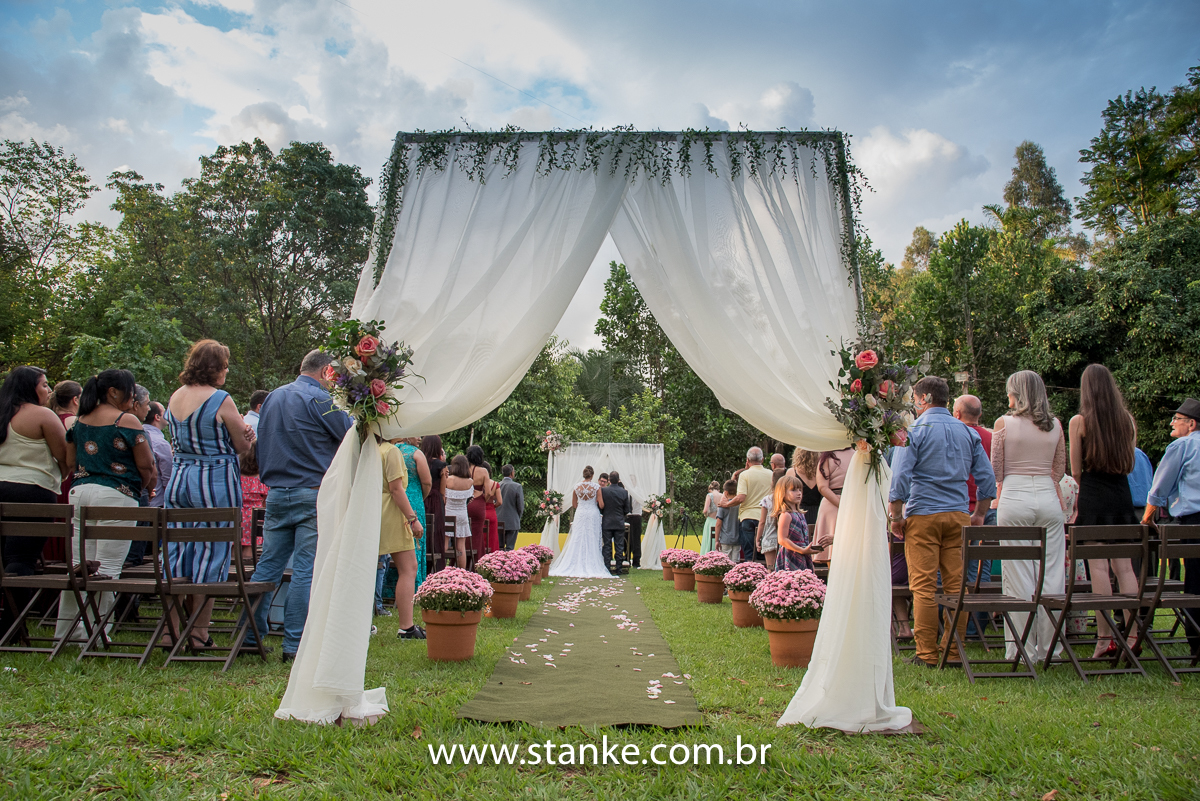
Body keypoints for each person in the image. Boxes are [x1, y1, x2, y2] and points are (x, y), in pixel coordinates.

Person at [245, 349, 352, 662]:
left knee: (268, 567)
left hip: (277, 491)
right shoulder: (322, 400)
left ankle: (250, 637)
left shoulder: (274, 398)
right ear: (325, 373)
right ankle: (294, 645)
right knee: (305, 569)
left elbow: (261, 444)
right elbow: (349, 435)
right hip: (312, 491)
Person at [889, 375, 995, 668]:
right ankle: (952, 651)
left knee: (923, 586)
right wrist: (980, 514)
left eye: (914, 398)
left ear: (924, 399)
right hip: (959, 514)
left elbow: (900, 477)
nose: (913, 403)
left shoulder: (915, 431)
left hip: (923, 513)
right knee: (955, 586)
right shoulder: (968, 432)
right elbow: (987, 479)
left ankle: (926, 653)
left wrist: (896, 516)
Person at [164, 340, 254, 650]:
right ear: (214, 367)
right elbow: (242, 447)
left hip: (178, 478)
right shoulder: (220, 399)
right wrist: (248, 437)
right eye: (225, 366)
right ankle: (199, 632)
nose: (227, 371)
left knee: (176, 552)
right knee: (211, 552)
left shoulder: (175, 397)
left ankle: (170, 630)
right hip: (213, 478)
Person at [56, 369, 157, 642]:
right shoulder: (128, 421)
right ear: (113, 392)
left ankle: (67, 632)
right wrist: (141, 486)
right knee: (108, 568)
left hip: (79, 493)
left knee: (79, 567)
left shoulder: (78, 422)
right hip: (116, 495)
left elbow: (69, 462)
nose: (133, 396)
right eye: (130, 390)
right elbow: (146, 464)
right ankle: (97, 635)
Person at [992, 371, 1067, 662]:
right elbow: (1058, 469)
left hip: (1015, 495)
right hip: (1048, 497)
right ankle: (1051, 649)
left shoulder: (1004, 423)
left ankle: (1020, 649)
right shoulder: (1056, 426)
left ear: (1018, 393)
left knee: (1018, 575)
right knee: (1052, 575)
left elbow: (996, 467)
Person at [1069, 363, 1140, 658]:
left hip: (1093, 494)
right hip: (1121, 494)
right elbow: (1131, 462)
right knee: (1124, 568)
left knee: (1098, 567)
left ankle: (1105, 636)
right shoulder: (1127, 420)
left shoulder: (1079, 422)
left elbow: (1075, 470)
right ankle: (1134, 634)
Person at [0, 367, 68, 601]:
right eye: (44, 385)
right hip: (31, 491)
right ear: (30, 387)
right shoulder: (42, 415)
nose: (49, 391)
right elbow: (64, 456)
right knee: (21, 558)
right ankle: (13, 625)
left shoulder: (3, 413)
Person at [1142, 398, 1200, 656]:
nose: (1171, 423)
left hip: (1194, 522)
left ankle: (1197, 643)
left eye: (1176, 419)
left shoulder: (1183, 445)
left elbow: (1159, 488)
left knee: (1195, 583)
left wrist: (1147, 519)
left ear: (1192, 424)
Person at [377, 436, 427, 639]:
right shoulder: (391, 452)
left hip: (372, 510)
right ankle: (406, 626)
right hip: (391, 512)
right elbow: (396, 489)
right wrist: (413, 519)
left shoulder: (371, 450)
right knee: (409, 567)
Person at [956, 394, 995, 637]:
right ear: (979, 414)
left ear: (957, 414)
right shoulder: (991, 436)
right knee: (983, 570)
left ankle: (957, 625)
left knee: (954, 569)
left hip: (961, 506)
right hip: (987, 506)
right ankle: (977, 625)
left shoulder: (956, 435)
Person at [549, 465, 612, 578]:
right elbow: (601, 504)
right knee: (591, 537)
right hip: (593, 514)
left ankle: (575, 561)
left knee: (578, 537)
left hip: (581, 513)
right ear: (592, 475)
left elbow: (574, 504)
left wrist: (582, 505)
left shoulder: (577, 487)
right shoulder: (596, 487)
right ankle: (592, 562)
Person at [719, 447, 773, 563]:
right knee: (764, 549)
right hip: (765, 516)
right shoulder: (770, 474)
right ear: (762, 459)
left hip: (748, 516)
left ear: (747, 460)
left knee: (749, 552)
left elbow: (741, 497)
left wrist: (727, 504)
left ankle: (750, 574)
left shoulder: (745, 475)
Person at [396, 437, 431, 587]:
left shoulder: (392, 450)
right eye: (417, 434)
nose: (420, 438)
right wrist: (420, 496)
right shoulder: (417, 454)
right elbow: (427, 482)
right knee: (415, 540)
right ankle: (414, 584)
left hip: (393, 500)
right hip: (414, 499)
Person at [813, 448, 853, 565]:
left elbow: (822, 487)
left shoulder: (827, 456)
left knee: (832, 554)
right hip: (852, 502)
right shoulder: (859, 454)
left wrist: (841, 504)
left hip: (831, 503)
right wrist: (845, 505)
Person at [773, 474, 820, 571]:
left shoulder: (800, 514)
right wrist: (801, 550)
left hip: (803, 553)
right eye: (793, 490)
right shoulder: (786, 515)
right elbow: (782, 539)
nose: (798, 493)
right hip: (791, 555)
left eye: (800, 490)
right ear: (782, 493)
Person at [466, 445, 501, 557]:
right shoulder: (483, 471)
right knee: (478, 532)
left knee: (465, 531)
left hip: (466, 503)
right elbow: (489, 493)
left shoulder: (464, 469)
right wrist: (483, 500)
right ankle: (477, 560)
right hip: (478, 503)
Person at [420, 435, 447, 568]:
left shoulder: (419, 461)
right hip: (436, 501)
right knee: (436, 534)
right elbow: (443, 491)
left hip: (422, 498)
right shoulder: (441, 465)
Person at [443, 454, 475, 567]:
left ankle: (441, 569)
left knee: (445, 542)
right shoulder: (470, 482)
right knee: (461, 546)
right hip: (462, 514)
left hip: (448, 512)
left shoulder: (449, 480)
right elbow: (470, 497)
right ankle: (462, 572)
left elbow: (444, 498)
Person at [239, 442, 267, 563]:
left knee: (234, 549)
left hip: (237, 517)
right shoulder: (261, 479)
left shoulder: (236, 478)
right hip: (253, 519)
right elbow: (265, 503)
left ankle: (234, 574)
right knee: (249, 552)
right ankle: (246, 577)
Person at [600, 470, 632, 575]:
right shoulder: (624, 492)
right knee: (619, 546)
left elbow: (600, 507)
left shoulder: (604, 491)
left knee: (607, 546)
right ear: (618, 480)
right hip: (619, 522)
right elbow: (627, 509)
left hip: (607, 521)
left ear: (609, 480)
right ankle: (619, 569)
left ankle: (607, 568)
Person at [756, 468, 788, 569]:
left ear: (772, 482)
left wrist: (758, 539)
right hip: (785, 539)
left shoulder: (767, 500)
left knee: (770, 568)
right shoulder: (787, 499)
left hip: (769, 538)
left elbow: (762, 522)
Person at [785, 449, 823, 528]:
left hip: (798, 513)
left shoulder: (792, 472)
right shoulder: (822, 472)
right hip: (819, 514)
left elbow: (787, 497)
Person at [496, 464, 525, 551]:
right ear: (512, 473)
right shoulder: (517, 486)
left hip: (498, 520)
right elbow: (520, 506)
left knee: (499, 547)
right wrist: (517, 517)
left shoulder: (497, 485)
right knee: (510, 548)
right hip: (512, 521)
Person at [714, 480, 741, 561]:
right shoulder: (740, 505)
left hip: (725, 539)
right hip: (738, 539)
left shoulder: (722, 506)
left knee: (725, 563)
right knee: (735, 562)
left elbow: (718, 524)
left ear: (725, 493)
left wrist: (717, 540)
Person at [700, 480, 722, 554]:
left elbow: (705, 510)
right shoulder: (722, 495)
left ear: (710, 489)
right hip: (720, 521)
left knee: (708, 540)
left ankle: (707, 555)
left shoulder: (709, 495)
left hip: (710, 521)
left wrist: (705, 515)